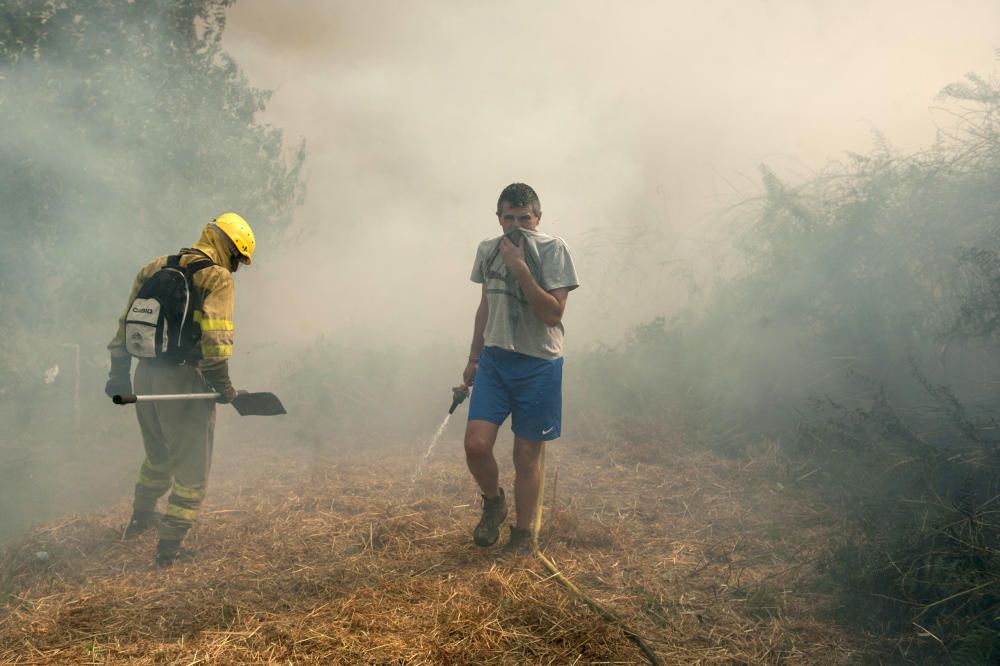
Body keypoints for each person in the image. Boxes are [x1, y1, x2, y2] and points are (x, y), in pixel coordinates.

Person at [104, 213, 254, 566]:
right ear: (229, 248)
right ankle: (168, 551)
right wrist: (224, 387)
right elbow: (217, 341)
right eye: (238, 259)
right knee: (191, 472)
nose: (236, 268)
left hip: (145, 376)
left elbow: (126, 323)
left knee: (158, 457)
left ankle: (140, 520)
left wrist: (119, 373)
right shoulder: (215, 277)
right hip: (185, 381)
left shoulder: (155, 267)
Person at [459, 183, 579, 552]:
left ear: (538, 218)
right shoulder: (487, 251)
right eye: (509, 218)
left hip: (539, 362)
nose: (516, 226)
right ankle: (494, 503)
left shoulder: (553, 250)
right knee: (476, 445)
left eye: (524, 218)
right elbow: (485, 306)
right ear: (498, 219)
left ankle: (523, 536)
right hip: (495, 360)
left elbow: (552, 314)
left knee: (525, 455)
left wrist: (522, 270)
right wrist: (473, 357)